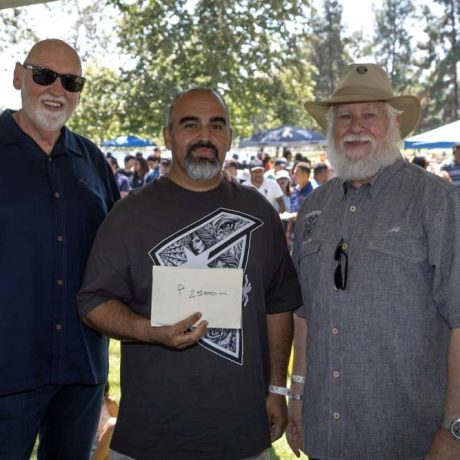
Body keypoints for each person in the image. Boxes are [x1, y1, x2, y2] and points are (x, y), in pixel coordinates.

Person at [77, 87, 302, 460]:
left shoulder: (259, 212)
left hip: (241, 432)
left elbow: (279, 303)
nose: (204, 137)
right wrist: (146, 330)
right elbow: (92, 301)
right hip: (151, 435)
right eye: (190, 124)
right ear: (168, 136)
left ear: (229, 137)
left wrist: (277, 388)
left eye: (217, 125)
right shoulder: (130, 214)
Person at [287, 62, 460, 460]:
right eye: (344, 116)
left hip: (408, 438)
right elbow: (304, 314)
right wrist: (297, 392)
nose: (354, 126)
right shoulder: (314, 207)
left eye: (369, 115)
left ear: (394, 123)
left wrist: (454, 428)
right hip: (325, 434)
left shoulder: (436, 201)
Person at [0, 39, 119, 459]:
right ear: (18, 76)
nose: (57, 90)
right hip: (7, 366)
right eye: (44, 75)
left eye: (71, 81)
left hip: (81, 368)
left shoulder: (92, 160)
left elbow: (115, 259)